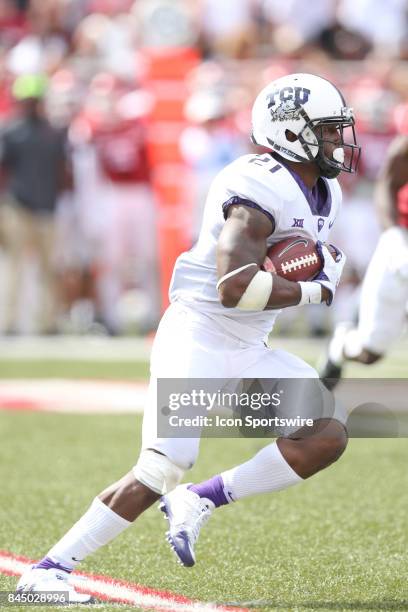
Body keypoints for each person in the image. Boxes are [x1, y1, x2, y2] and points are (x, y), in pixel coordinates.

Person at [16, 73, 360, 602]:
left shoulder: (325, 190)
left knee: (325, 434)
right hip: (199, 334)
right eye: (330, 131)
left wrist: (313, 278)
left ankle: (201, 500)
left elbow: (283, 271)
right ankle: (48, 570)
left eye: (339, 130)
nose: (340, 142)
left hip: (248, 346)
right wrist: (317, 291)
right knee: (161, 466)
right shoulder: (256, 185)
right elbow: (233, 288)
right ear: (293, 133)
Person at [319, 133, 408, 389]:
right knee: (370, 350)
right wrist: (393, 236)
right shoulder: (404, 145)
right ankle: (340, 345)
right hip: (402, 244)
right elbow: (387, 187)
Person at [0, 73, 72, 334]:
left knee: (49, 270)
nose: (30, 104)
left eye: (33, 99)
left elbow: (64, 172)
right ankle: (8, 323)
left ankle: (48, 323)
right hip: (17, 207)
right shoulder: (9, 131)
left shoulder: (54, 133)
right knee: (12, 267)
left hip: (47, 208)